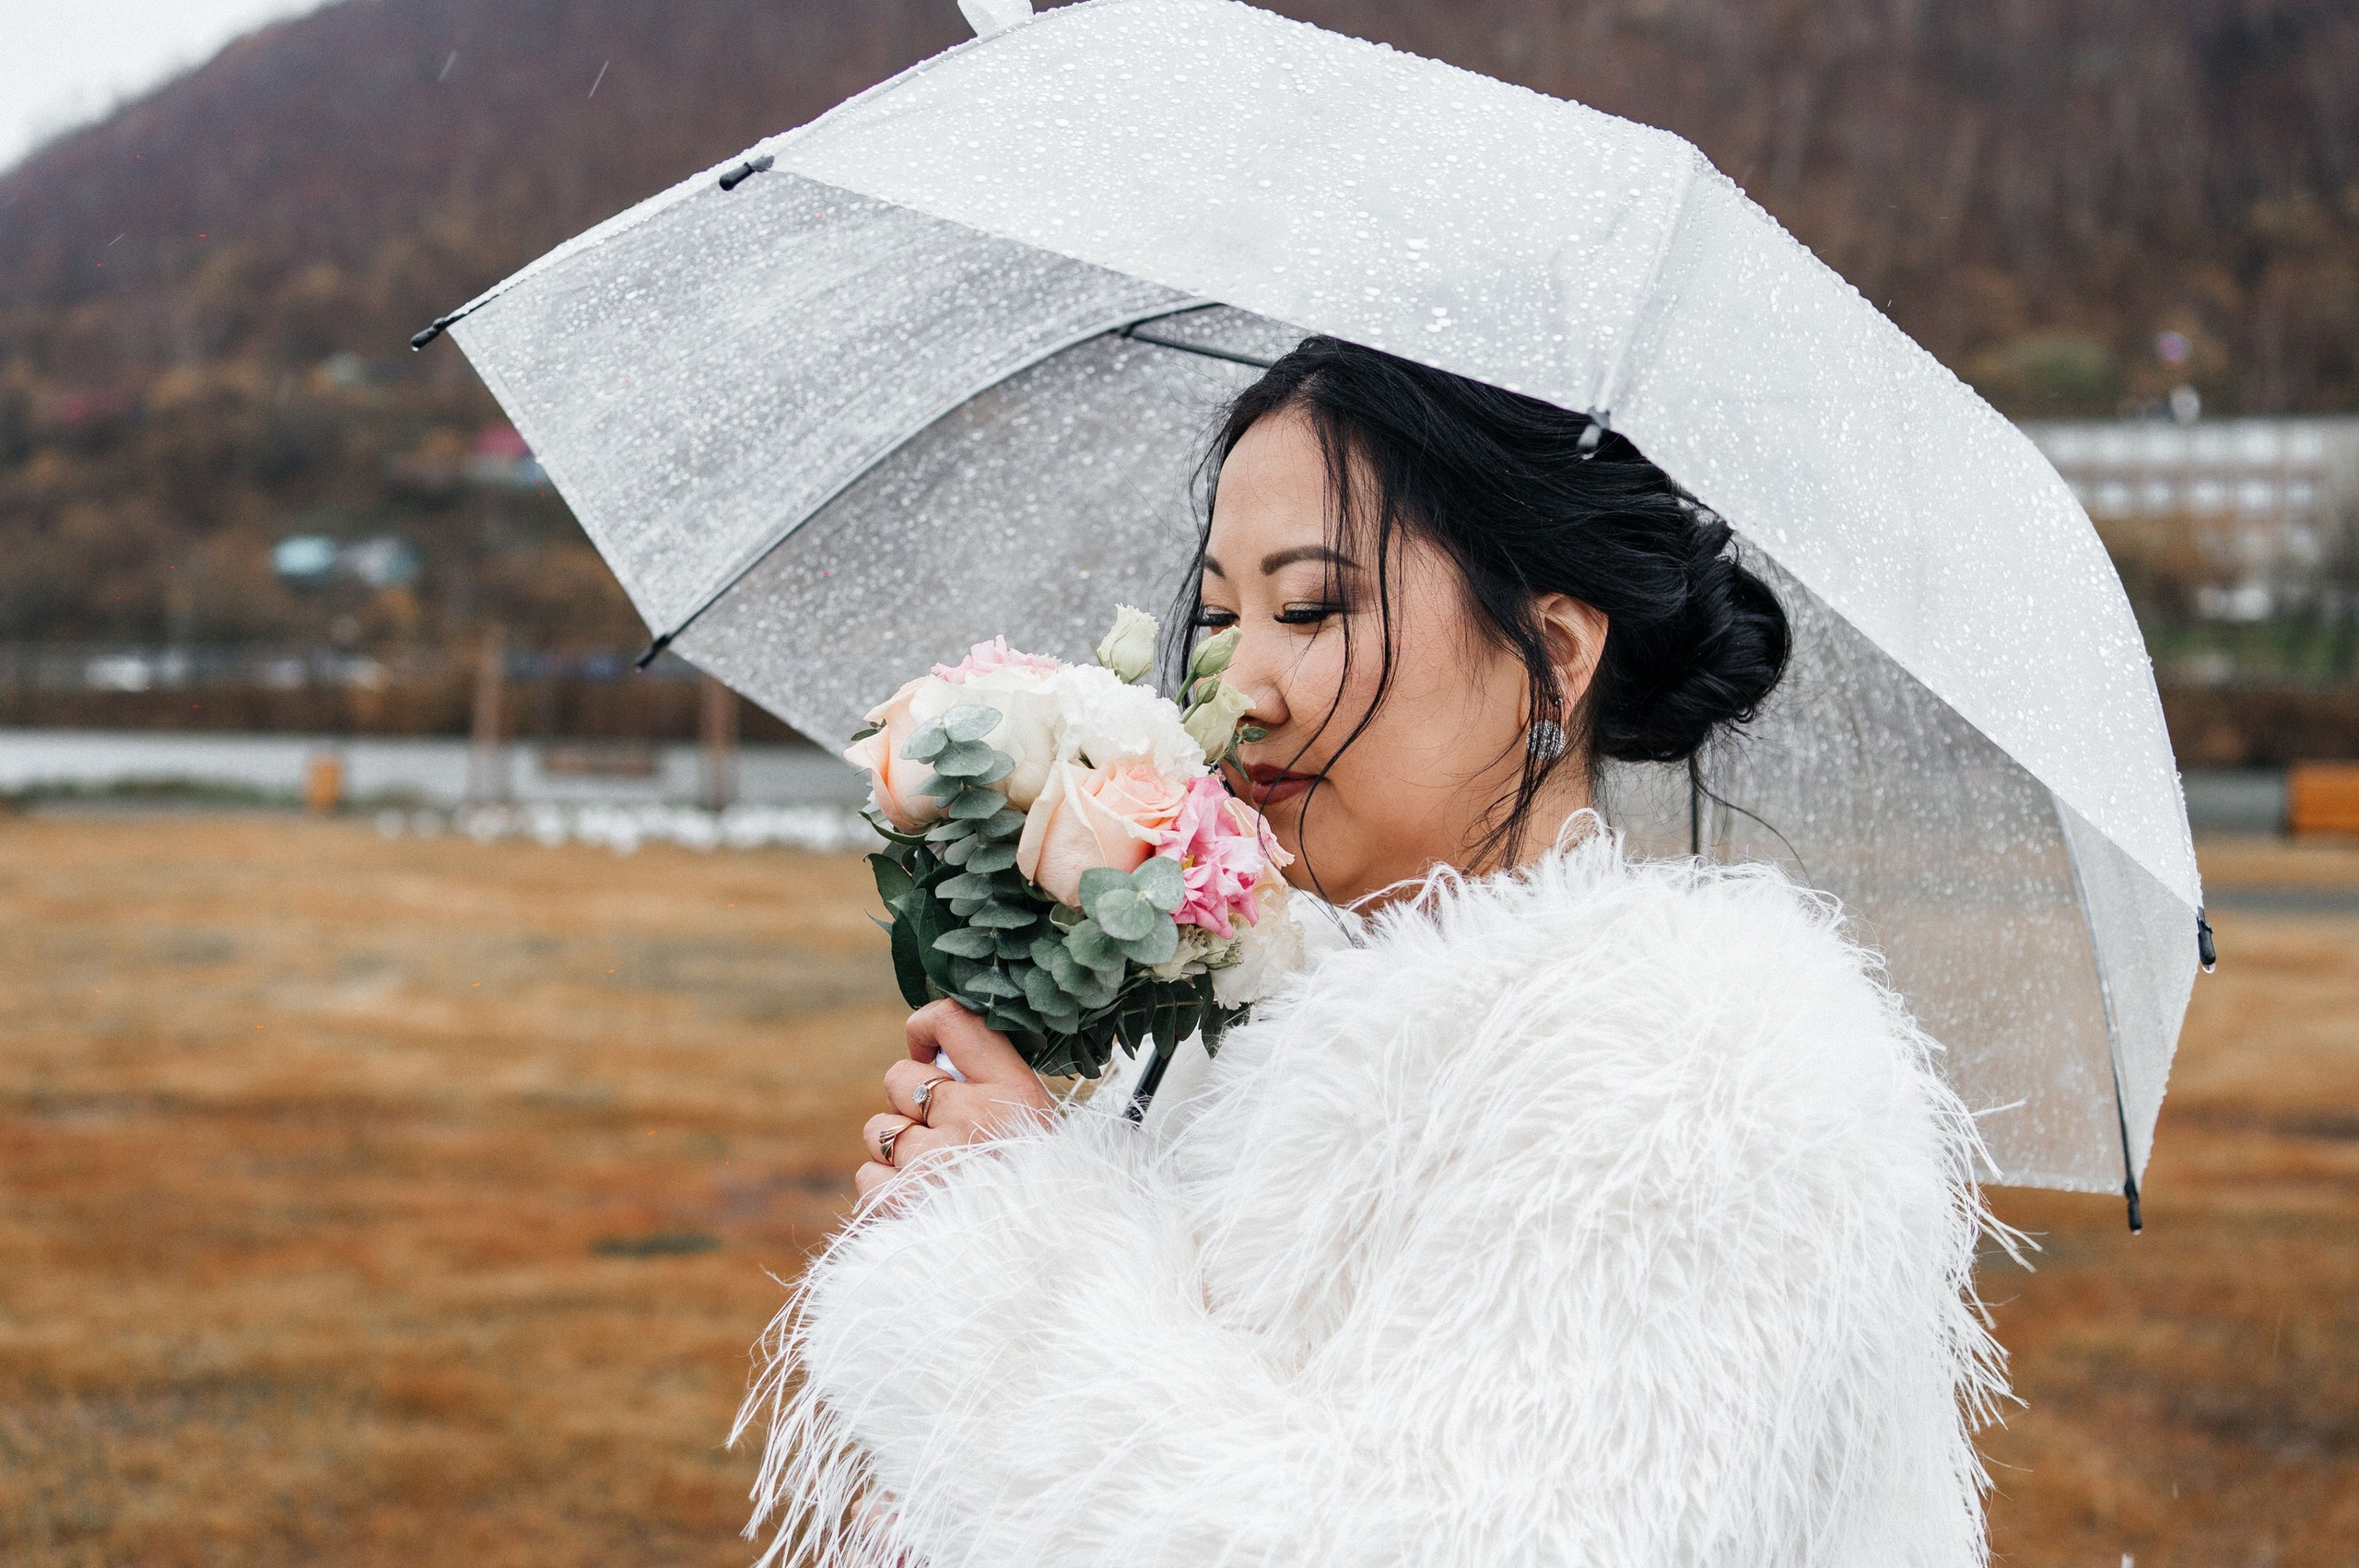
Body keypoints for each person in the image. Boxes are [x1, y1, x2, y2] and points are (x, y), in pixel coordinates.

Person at [736, 337, 2009, 1567]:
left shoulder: (1709, 1072)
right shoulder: (1256, 1026)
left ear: (1555, 657)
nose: (1243, 689)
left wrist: (1006, 1246)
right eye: (1224, 617)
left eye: (1312, 606)